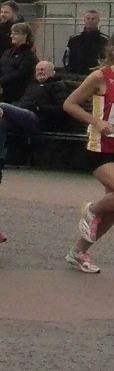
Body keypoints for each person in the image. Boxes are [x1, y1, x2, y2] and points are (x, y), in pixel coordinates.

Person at [62, 42, 114, 274]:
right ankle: (91, 209)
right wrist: (96, 121)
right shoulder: (100, 77)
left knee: (113, 207)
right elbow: (69, 104)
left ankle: (78, 251)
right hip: (100, 149)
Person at [0, 60, 71, 160]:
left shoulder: (58, 86)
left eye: (43, 70)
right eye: (37, 70)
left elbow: (62, 109)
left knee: (2, 107)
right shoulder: (32, 85)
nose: (40, 72)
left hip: (39, 120)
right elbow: (22, 101)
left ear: (52, 72)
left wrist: (39, 107)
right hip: (23, 117)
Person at [0, 23, 38, 105]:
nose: (11, 36)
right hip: (3, 93)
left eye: (15, 33)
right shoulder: (7, 52)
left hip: (19, 94)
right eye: (11, 33)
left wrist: (1, 81)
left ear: (25, 35)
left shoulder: (29, 54)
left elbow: (20, 73)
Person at [64, 10, 109, 76]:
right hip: (76, 77)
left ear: (98, 21)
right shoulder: (74, 39)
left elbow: (109, 59)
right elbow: (66, 58)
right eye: (88, 18)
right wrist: (70, 71)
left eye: (93, 19)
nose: (90, 20)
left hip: (97, 77)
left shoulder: (105, 40)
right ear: (84, 20)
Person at [0, 1, 23, 66]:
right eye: (1, 12)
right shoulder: (0, 27)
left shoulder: (21, 28)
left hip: (13, 65)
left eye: (6, 12)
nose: (2, 14)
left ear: (15, 13)